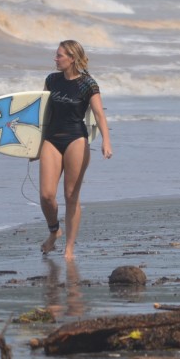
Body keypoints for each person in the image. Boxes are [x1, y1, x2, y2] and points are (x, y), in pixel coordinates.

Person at [39, 40, 112, 259]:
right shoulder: (52, 80)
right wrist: (33, 146)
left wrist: (106, 141)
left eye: (60, 55)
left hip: (76, 139)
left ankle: (69, 247)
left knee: (71, 195)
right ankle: (54, 231)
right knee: (46, 195)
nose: (55, 59)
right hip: (51, 139)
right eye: (56, 55)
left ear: (72, 58)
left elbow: (99, 114)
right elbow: (42, 115)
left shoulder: (87, 84)